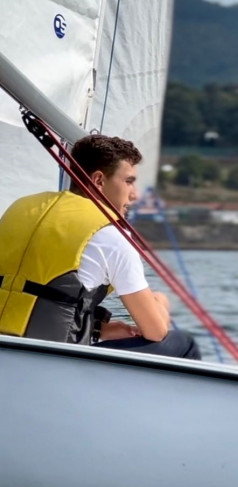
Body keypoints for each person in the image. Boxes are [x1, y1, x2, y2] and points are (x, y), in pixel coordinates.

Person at [0, 134, 200, 359]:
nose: (134, 195)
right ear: (98, 180)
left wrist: (98, 329)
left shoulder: (19, 208)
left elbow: (31, 297)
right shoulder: (110, 235)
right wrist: (160, 302)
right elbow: (155, 331)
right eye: (128, 182)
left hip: (7, 352)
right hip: (52, 362)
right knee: (184, 344)